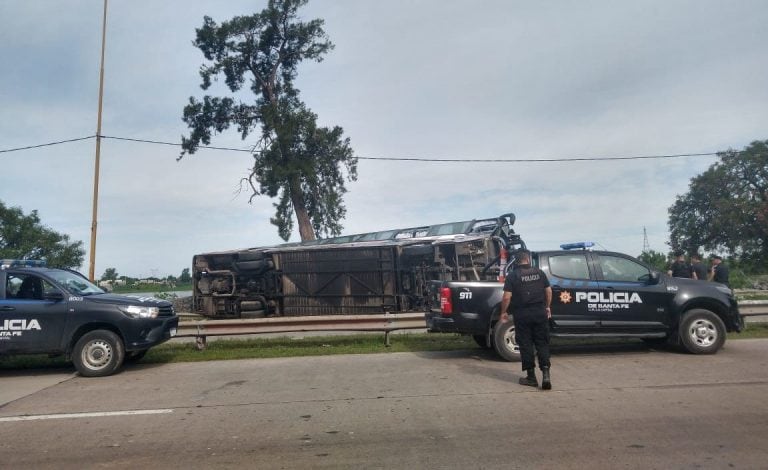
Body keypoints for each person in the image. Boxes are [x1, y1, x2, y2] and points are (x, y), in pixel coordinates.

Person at [499, 250, 553, 390]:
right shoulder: (540, 273)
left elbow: (506, 297)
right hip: (539, 312)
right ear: (528, 259)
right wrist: (547, 307)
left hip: (522, 314)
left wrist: (503, 312)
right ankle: (546, 375)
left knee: (526, 345)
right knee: (542, 343)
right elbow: (548, 291)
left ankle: (531, 377)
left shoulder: (513, 276)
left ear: (516, 261)